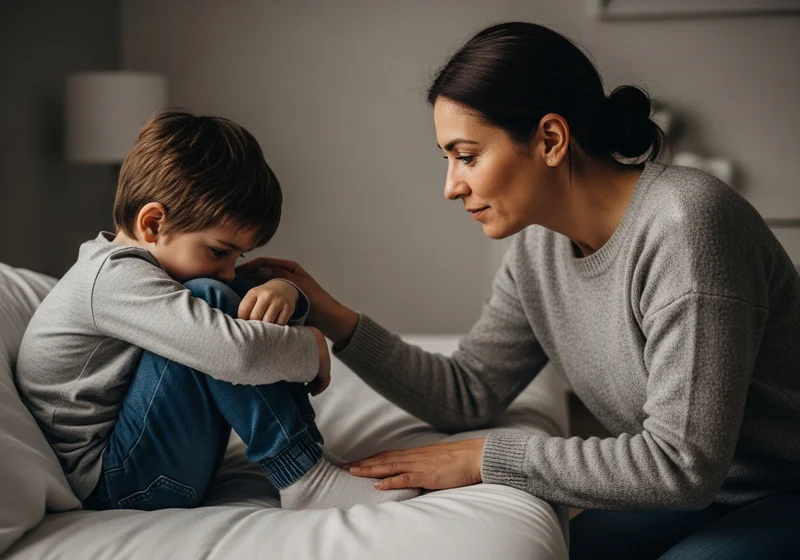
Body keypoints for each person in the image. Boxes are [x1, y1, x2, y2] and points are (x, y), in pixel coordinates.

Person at [238, 22, 800, 558]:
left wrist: (488, 457)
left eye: (466, 156)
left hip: (782, 489)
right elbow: (470, 391)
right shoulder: (539, 250)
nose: (451, 187)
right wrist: (334, 316)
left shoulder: (687, 225)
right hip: (709, 493)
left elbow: (681, 466)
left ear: (551, 139)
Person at [15, 110, 418, 511]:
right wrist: (309, 348)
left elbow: (248, 315)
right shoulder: (111, 278)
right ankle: (301, 474)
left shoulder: (142, 271)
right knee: (208, 298)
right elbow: (235, 354)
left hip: (151, 465)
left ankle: (307, 460)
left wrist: (285, 292)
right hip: (120, 483)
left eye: (239, 255)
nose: (229, 269)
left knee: (225, 299)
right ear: (153, 224)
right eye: (220, 251)